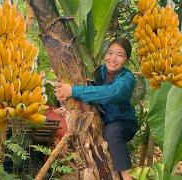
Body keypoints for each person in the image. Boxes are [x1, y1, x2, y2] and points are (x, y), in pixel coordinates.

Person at [54, 38, 137, 180]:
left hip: (123, 123)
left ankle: (127, 176)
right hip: (101, 121)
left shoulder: (127, 79)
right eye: (110, 53)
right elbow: (88, 91)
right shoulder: (98, 72)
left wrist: (73, 91)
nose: (113, 58)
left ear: (127, 59)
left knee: (112, 132)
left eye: (120, 55)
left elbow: (111, 93)